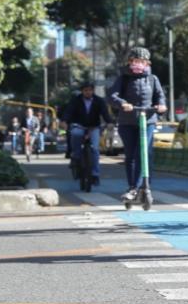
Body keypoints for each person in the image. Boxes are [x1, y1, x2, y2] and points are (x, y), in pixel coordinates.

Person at [109, 47, 168, 203]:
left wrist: (161, 106)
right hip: (127, 122)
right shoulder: (123, 78)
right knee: (131, 155)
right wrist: (123, 104)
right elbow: (112, 96)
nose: (138, 64)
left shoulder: (153, 79)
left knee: (143, 152)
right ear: (130, 62)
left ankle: (141, 186)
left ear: (147, 63)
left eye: (142, 61)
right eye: (135, 61)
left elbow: (160, 97)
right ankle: (132, 187)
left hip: (147, 121)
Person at [63, 81, 113, 185]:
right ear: (82, 91)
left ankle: (95, 174)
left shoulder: (99, 101)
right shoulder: (75, 100)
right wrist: (64, 121)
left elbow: (105, 113)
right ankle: (76, 156)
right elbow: (68, 112)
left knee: (95, 149)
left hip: (94, 127)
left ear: (93, 90)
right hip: (79, 126)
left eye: (90, 90)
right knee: (75, 134)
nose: (88, 92)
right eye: (85, 90)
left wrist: (109, 122)